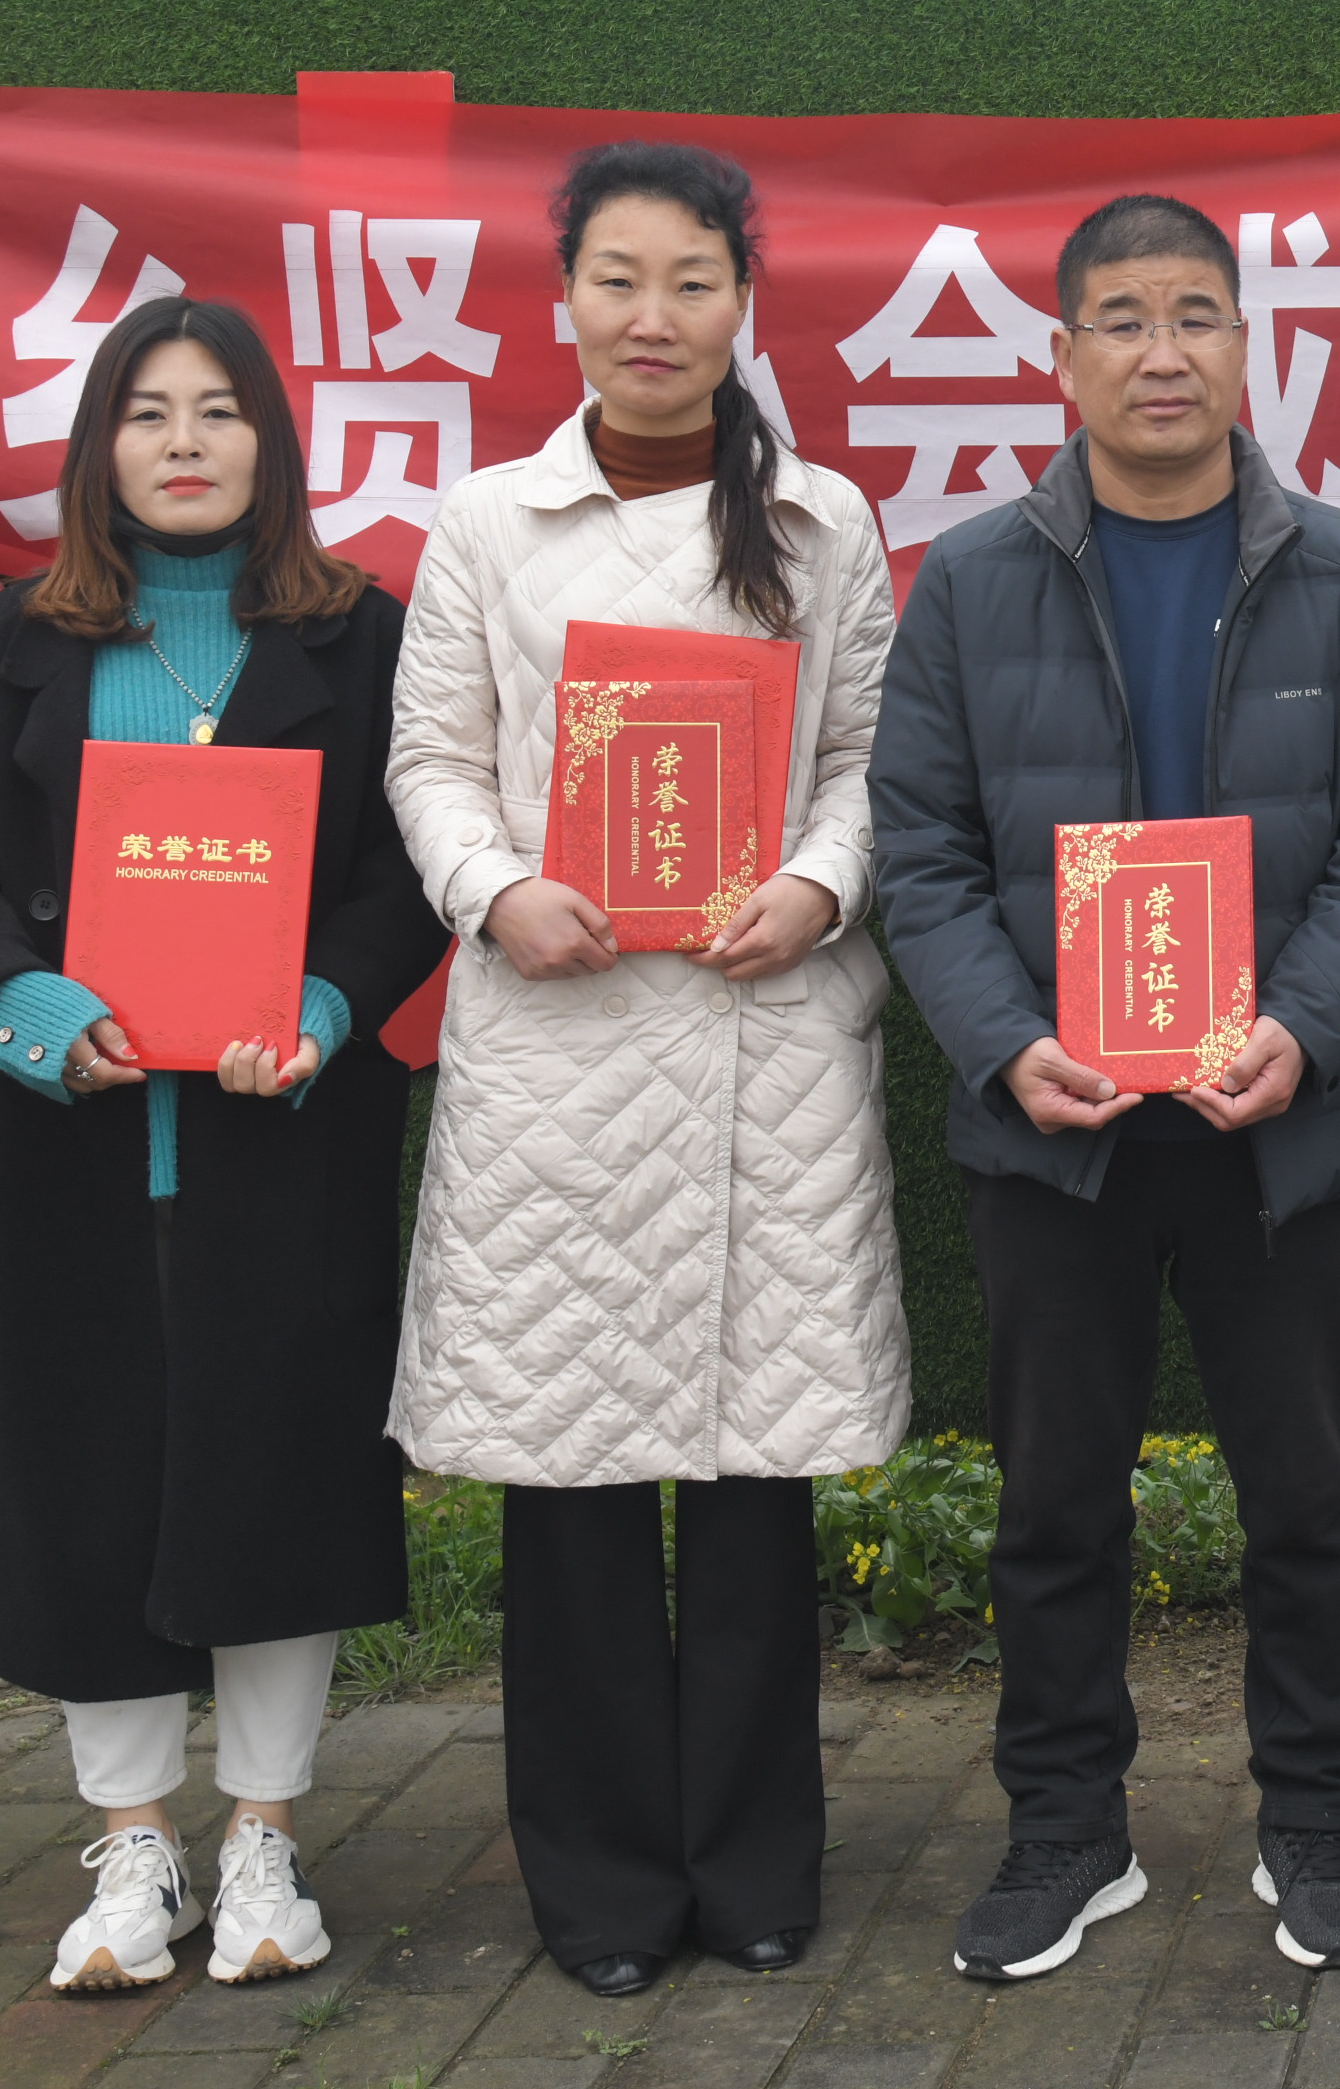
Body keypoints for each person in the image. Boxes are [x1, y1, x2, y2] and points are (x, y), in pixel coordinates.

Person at [871, 193, 1340, 1985]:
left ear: (1246, 346)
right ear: (1061, 359)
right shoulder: (972, 581)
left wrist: (1304, 1027)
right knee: (1055, 1503)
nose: (1161, 353)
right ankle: (1065, 1832)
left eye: (1196, 315)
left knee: (1311, 1500)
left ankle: (1316, 1824)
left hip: (1284, 1123)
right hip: (1056, 1130)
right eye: (1121, 320)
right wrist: (1005, 1041)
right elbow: (922, 848)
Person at [384, 142, 910, 1999]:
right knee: (574, 1472)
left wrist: (817, 882)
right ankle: (602, 1886)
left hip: (765, 1037)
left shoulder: (825, 524)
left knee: (758, 1483)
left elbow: (871, 761)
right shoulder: (488, 522)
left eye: (692, 280)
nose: (654, 316)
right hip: (563, 1042)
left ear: (742, 304)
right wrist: (498, 887)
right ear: (562, 304)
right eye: (617, 278)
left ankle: (755, 1866)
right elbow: (433, 758)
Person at [0, 297, 446, 1996]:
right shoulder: (15, 641)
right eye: (147, 413)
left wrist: (330, 1006)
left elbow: (409, 867)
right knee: (82, 1486)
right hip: (73, 1149)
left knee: (281, 1469)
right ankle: (134, 1844)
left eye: (219, 410)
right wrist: (21, 1004)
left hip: (284, 1138)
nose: (185, 442)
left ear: (272, 442)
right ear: (97, 447)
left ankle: (264, 1834)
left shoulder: (363, 639)